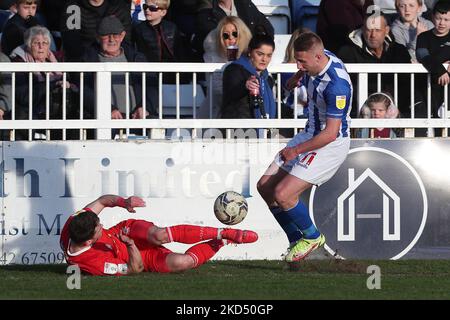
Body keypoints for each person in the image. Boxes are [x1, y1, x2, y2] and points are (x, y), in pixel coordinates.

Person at [257, 32, 352, 263]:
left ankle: (313, 237)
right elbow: (308, 60)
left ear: (318, 57)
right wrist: (299, 75)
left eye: (302, 62)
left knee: (284, 194)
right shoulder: (318, 58)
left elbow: (330, 133)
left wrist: (295, 151)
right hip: (309, 133)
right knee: (265, 187)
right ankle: (295, 238)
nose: (298, 65)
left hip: (329, 144)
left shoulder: (336, 85)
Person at [60, 194, 258, 275]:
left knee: (160, 235)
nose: (101, 224)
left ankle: (225, 231)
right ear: (88, 241)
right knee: (183, 263)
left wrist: (124, 202)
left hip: (123, 232)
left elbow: (102, 201)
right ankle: (222, 241)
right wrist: (130, 245)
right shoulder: (93, 263)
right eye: (98, 228)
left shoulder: (75, 223)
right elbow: (134, 268)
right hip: (137, 256)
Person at [9, 25, 79, 140]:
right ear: (28, 45)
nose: (41, 47)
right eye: (36, 43)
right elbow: (23, 96)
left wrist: (68, 85)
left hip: (58, 107)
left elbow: (75, 84)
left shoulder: (57, 59)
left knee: (78, 115)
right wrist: (52, 84)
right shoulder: (19, 61)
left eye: (45, 43)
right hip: (34, 109)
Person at [82, 15, 146, 122]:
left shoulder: (136, 58)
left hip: (137, 118)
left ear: (122, 36)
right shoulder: (88, 60)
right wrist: (108, 109)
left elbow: (151, 87)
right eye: (106, 36)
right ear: (97, 38)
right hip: (104, 120)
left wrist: (144, 107)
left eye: (115, 35)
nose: (111, 40)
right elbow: (85, 91)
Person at [198, 15, 252, 119]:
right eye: (226, 36)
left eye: (235, 34)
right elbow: (217, 92)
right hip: (216, 112)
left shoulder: (251, 57)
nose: (231, 38)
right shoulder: (212, 58)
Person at [192, 0, 274, 58]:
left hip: (249, 59)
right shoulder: (206, 14)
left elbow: (267, 29)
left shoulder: (246, 5)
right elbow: (205, 43)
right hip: (221, 62)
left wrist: (256, 49)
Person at [221, 33, 276, 120]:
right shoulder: (234, 69)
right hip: (237, 128)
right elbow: (230, 94)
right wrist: (244, 86)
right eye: (260, 54)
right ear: (250, 52)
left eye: (269, 55)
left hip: (262, 129)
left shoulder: (267, 79)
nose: (264, 59)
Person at [416, 0, 450, 135]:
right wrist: (440, 70)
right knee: (434, 122)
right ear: (432, 18)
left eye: (446, 19)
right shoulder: (424, 37)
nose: (442, 23)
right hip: (429, 89)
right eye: (438, 18)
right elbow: (422, 55)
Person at [61, 0, 132, 62]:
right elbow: (72, 45)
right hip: (84, 62)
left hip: (117, 58)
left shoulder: (119, 6)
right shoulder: (73, 7)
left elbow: (126, 40)